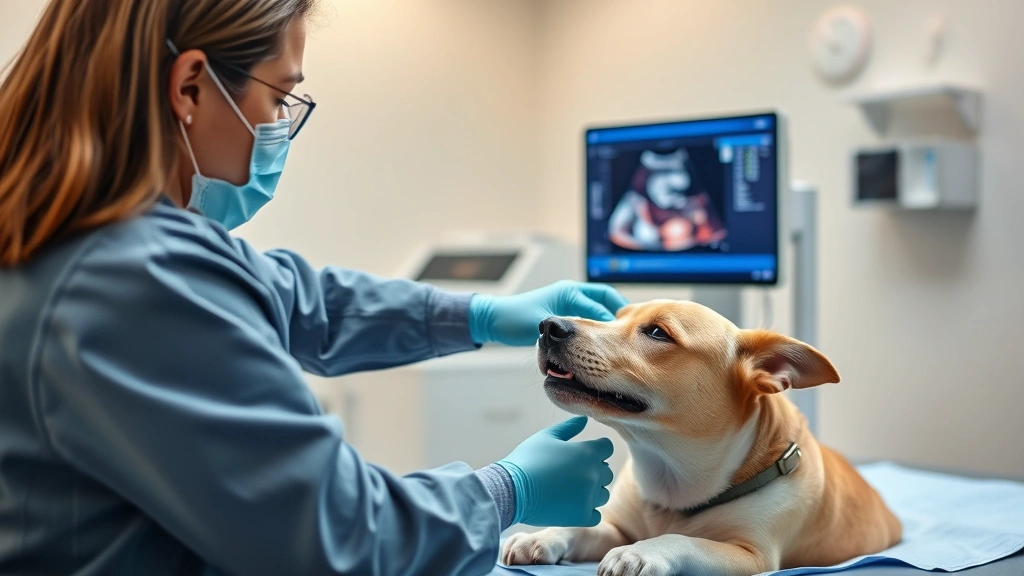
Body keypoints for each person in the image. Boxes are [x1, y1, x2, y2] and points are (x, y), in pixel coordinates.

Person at [0, 1, 627, 575]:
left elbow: (300, 300)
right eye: (279, 100)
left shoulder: (71, 230)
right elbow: (341, 535)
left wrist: (482, 314)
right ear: (190, 85)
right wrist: (508, 489)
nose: (280, 125)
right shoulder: (134, 277)